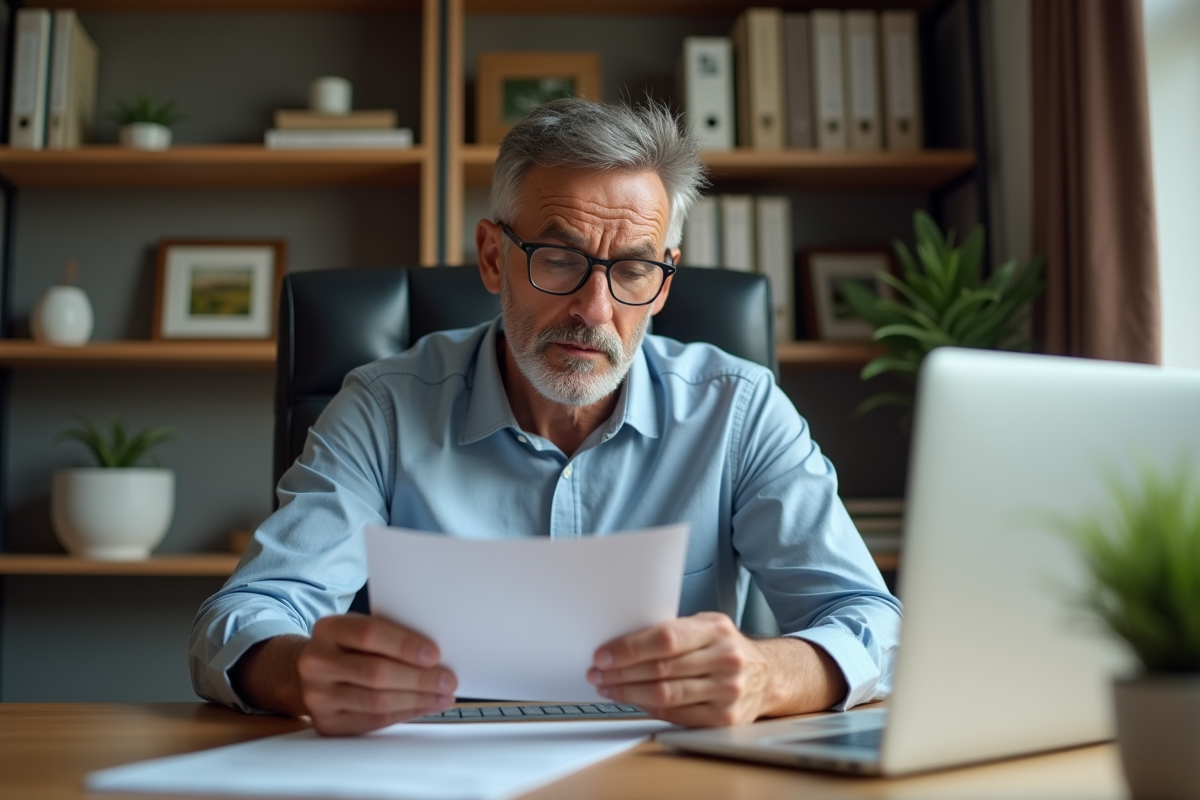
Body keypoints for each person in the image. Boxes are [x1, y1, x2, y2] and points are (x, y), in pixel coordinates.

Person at [190, 98, 902, 737]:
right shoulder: (383, 408)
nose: (594, 311)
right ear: (494, 257)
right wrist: (298, 669)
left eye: (631, 269)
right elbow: (240, 618)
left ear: (663, 283)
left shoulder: (739, 410)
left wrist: (765, 674)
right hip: (430, 776)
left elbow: (876, 625)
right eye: (559, 258)